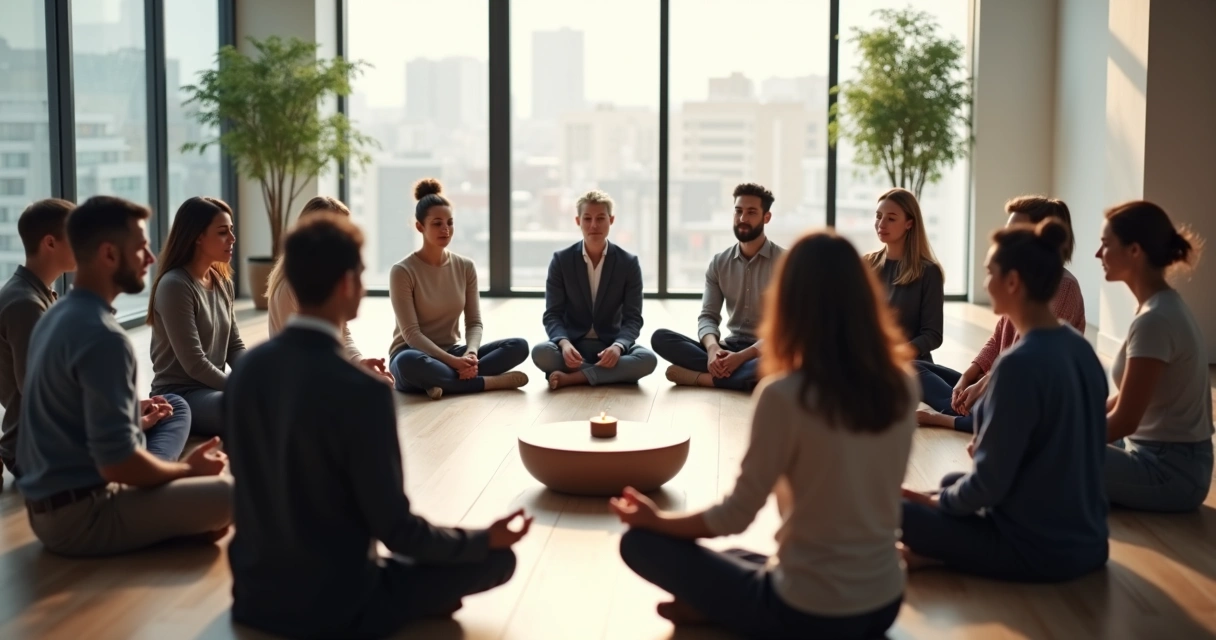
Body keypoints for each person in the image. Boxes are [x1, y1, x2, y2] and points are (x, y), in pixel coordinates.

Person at [226, 213, 529, 638]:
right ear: (348, 283)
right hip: (339, 604)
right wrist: (480, 540)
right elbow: (397, 530)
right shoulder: (363, 391)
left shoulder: (245, 372)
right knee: (499, 560)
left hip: (254, 598)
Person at [612, 230, 914, 639]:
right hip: (885, 600)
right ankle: (713, 607)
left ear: (790, 300)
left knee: (640, 543)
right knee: (738, 556)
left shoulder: (784, 394)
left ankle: (716, 610)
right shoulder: (902, 383)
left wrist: (658, 520)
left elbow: (736, 514)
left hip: (809, 612)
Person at [15, 195, 231, 557]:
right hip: (82, 516)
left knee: (176, 417)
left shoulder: (58, 313)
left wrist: (133, 416)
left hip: (49, 511)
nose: (150, 259)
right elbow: (118, 463)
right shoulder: (104, 336)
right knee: (230, 495)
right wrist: (186, 472)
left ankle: (166, 509)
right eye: (142, 249)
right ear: (109, 254)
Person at [900, 219, 1109, 582]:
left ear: (1012, 282)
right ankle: (939, 550)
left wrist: (934, 503)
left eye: (988, 272)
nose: (984, 283)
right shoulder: (1080, 348)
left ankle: (940, 555)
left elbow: (988, 486)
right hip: (1090, 540)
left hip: (1040, 549)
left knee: (901, 508)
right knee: (951, 480)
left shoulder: (1018, 364)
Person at [1, 199, 190, 480]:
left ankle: (147, 467)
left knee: (174, 404)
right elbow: (39, 398)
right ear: (50, 243)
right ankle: (148, 472)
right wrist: (127, 422)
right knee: (173, 413)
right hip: (41, 450)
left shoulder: (40, 296)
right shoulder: (25, 303)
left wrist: (125, 412)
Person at [916, 196, 1086, 432]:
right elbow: (998, 340)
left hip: (1018, 393)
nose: (1006, 240)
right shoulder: (1021, 285)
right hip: (1000, 382)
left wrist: (981, 387)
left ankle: (964, 418)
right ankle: (970, 413)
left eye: (1013, 232)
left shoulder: (1063, 288)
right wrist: (967, 378)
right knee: (912, 368)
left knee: (996, 408)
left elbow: (1028, 361)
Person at [1098, 200, 1212, 512]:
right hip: (1156, 453)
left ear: (1134, 251)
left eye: (1105, 245)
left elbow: (1124, 420)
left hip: (1170, 472)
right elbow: (1125, 400)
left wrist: (1060, 436)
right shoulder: (1157, 308)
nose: (1098, 254)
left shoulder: (1156, 319)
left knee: (1043, 455)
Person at [388, 179, 528, 399]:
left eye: (450, 222)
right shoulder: (402, 271)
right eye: (437, 223)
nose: (445, 229)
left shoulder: (465, 266)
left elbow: (474, 323)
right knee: (407, 364)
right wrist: (454, 363)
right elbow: (411, 334)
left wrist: (470, 354)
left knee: (519, 346)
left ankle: (439, 383)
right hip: (413, 353)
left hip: (454, 351)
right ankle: (487, 382)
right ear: (419, 226)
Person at [651, 183, 784, 391]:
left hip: (763, 350)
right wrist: (713, 350)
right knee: (660, 338)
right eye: (738, 211)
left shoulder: (785, 264)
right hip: (728, 347)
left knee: (787, 360)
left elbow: (784, 329)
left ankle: (704, 378)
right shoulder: (719, 263)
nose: (742, 219)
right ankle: (740, 378)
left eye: (751, 212)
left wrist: (741, 358)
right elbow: (708, 317)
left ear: (766, 217)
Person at [531, 190, 657, 390]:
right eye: (587, 218)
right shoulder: (561, 260)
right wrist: (564, 344)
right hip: (573, 346)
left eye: (601, 218)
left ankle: (574, 378)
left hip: (611, 345)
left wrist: (618, 346)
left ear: (611, 220)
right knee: (541, 352)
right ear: (577, 221)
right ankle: (610, 375)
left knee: (648, 359)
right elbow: (552, 315)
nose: (594, 225)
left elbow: (633, 318)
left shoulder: (628, 263)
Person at [147, 196, 246, 437]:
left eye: (231, 230)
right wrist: (243, 388)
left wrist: (253, 376)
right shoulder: (175, 285)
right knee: (250, 409)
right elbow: (194, 363)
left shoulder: (222, 282)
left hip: (213, 389)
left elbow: (234, 346)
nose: (232, 239)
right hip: (180, 394)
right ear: (197, 236)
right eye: (223, 232)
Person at [266, 196, 392, 384]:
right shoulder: (289, 289)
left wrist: (358, 362)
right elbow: (300, 361)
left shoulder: (324, 282)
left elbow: (342, 332)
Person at [865, 188, 944, 361]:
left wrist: (898, 353)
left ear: (909, 223)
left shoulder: (928, 272)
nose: (881, 224)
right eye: (878, 216)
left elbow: (933, 335)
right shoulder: (866, 264)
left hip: (910, 366)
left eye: (891, 218)